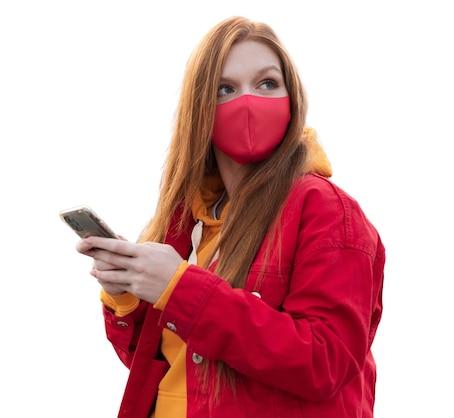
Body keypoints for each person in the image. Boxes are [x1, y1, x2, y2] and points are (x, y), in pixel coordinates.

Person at [76, 15, 385, 418]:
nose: (248, 101)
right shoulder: (189, 222)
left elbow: (325, 362)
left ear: (292, 99)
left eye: (267, 84)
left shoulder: (325, 209)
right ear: (199, 109)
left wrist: (181, 288)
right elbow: (166, 365)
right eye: (225, 89)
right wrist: (126, 295)